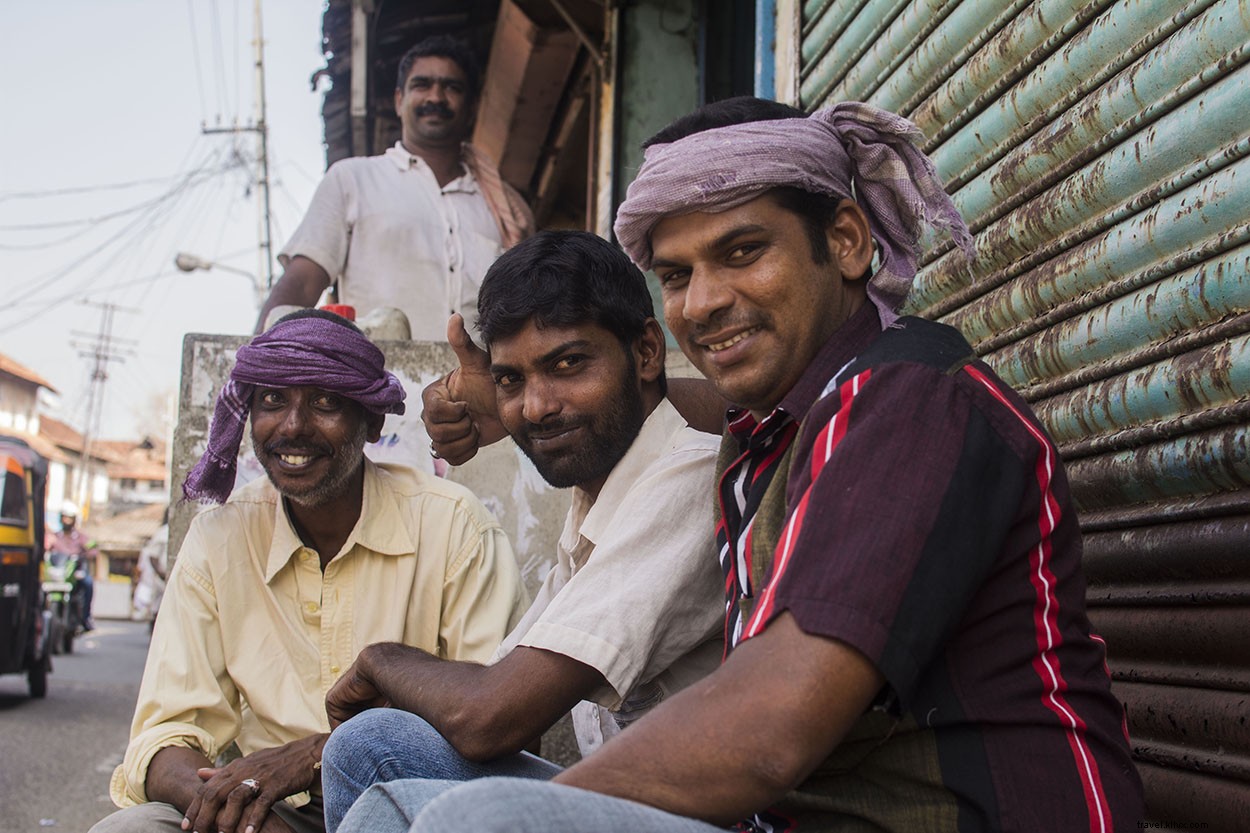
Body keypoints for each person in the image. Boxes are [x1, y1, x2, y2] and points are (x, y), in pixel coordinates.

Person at [340, 98, 1146, 832]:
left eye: (743, 251)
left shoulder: (910, 399)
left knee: (482, 824)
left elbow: (770, 730)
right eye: (678, 275)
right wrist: (518, 405)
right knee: (376, 755)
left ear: (846, 241)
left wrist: (546, 810)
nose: (704, 301)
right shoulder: (776, 430)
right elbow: (669, 401)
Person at [319, 230, 724, 831]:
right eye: (511, 381)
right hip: (616, 802)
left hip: (693, 817)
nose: (535, 408)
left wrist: (381, 661)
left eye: (567, 365)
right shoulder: (599, 494)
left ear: (645, 353)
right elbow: (496, 689)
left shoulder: (686, 478)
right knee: (368, 745)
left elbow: (493, 716)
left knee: (452, 813)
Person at [90, 309, 527, 833]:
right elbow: (165, 736)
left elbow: (503, 727)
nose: (293, 427)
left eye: (325, 402)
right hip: (269, 812)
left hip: (410, 805)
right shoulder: (219, 539)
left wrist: (316, 757)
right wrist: (240, 813)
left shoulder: (454, 526)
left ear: (371, 422)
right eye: (273, 400)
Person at [256, 35, 534, 339]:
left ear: (472, 107)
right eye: (422, 85)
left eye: (451, 87)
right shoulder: (353, 179)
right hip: (378, 380)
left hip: (484, 382)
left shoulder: (505, 209)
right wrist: (250, 364)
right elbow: (303, 283)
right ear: (399, 100)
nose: (436, 97)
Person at [46, 500, 98, 631]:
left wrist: (87, 553)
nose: (67, 521)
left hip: (75, 573)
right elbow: (46, 547)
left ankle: (85, 617)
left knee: (88, 583)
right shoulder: (55, 537)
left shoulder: (80, 538)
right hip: (59, 573)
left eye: (69, 518)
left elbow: (93, 549)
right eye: (64, 517)